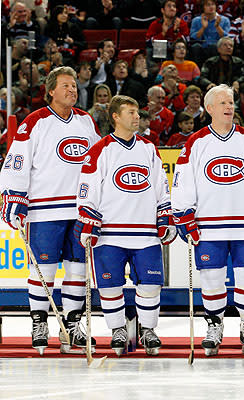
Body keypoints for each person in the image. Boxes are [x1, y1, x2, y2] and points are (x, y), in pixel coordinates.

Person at [171, 84, 244, 356]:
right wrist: (184, 213)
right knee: (211, 277)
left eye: (231, 102)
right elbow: (182, 183)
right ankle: (214, 325)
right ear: (209, 109)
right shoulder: (196, 142)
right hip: (209, 225)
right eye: (222, 103)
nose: (229, 107)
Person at [0, 66, 101, 355]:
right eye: (66, 85)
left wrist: (97, 200)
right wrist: (14, 197)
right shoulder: (35, 122)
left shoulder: (85, 122)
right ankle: (39, 322)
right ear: (51, 90)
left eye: (75, 86)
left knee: (77, 268)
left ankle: (71, 326)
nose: (73, 90)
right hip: (45, 209)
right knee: (43, 268)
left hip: (79, 210)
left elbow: (97, 164)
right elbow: (16, 162)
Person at [75, 95, 176, 356]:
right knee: (110, 285)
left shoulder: (148, 148)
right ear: (115, 117)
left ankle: (148, 329)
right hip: (110, 233)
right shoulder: (100, 150)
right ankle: (117, 329)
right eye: (130, 112)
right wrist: (88, 220)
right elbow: (87, 190)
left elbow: (161, 188)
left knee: (151, 285)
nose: (136, 116)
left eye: (137, 112)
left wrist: (165, 216)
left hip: (145, 232)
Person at [189, 0, 231, 66]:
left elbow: (226, 38)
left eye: (213, 4)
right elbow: (193, 38)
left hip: (217, 48)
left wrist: (217, 26)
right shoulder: (196, 20)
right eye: (208, 5)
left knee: (213, 47)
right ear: (203, 8)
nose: (211, 7)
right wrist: (203, 27)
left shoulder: (224, 20)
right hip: (202, 48)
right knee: (195, 47)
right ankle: (197, 73)